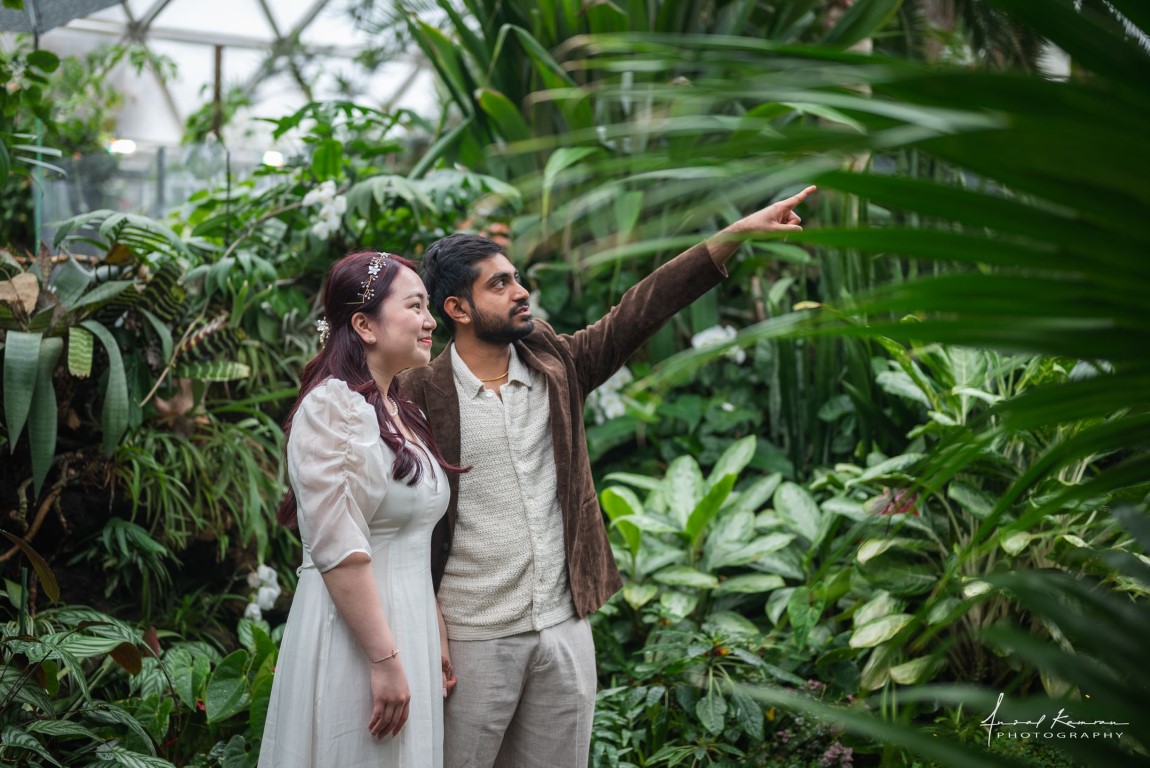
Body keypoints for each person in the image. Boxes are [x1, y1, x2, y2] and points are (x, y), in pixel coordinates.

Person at [398, 186, 817, 768]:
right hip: (471, 638)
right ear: (457, 310)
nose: (521, 292)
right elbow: (396, 518)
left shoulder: (553, 363)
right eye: (499, 284)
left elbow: (637, 312)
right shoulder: (417, 393)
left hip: (565, 627)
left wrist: (734, 235)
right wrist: (424, 624)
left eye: (516, 278)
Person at [259, 250, 462, 768]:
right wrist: (385, 658)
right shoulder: (333, 407)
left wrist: (432, 629)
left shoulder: (399, 409)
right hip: (359, 638)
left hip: (406, 627)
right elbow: (339, 548)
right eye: (415, 306)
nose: (430, 320)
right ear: (364, 324)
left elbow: (410, 534)